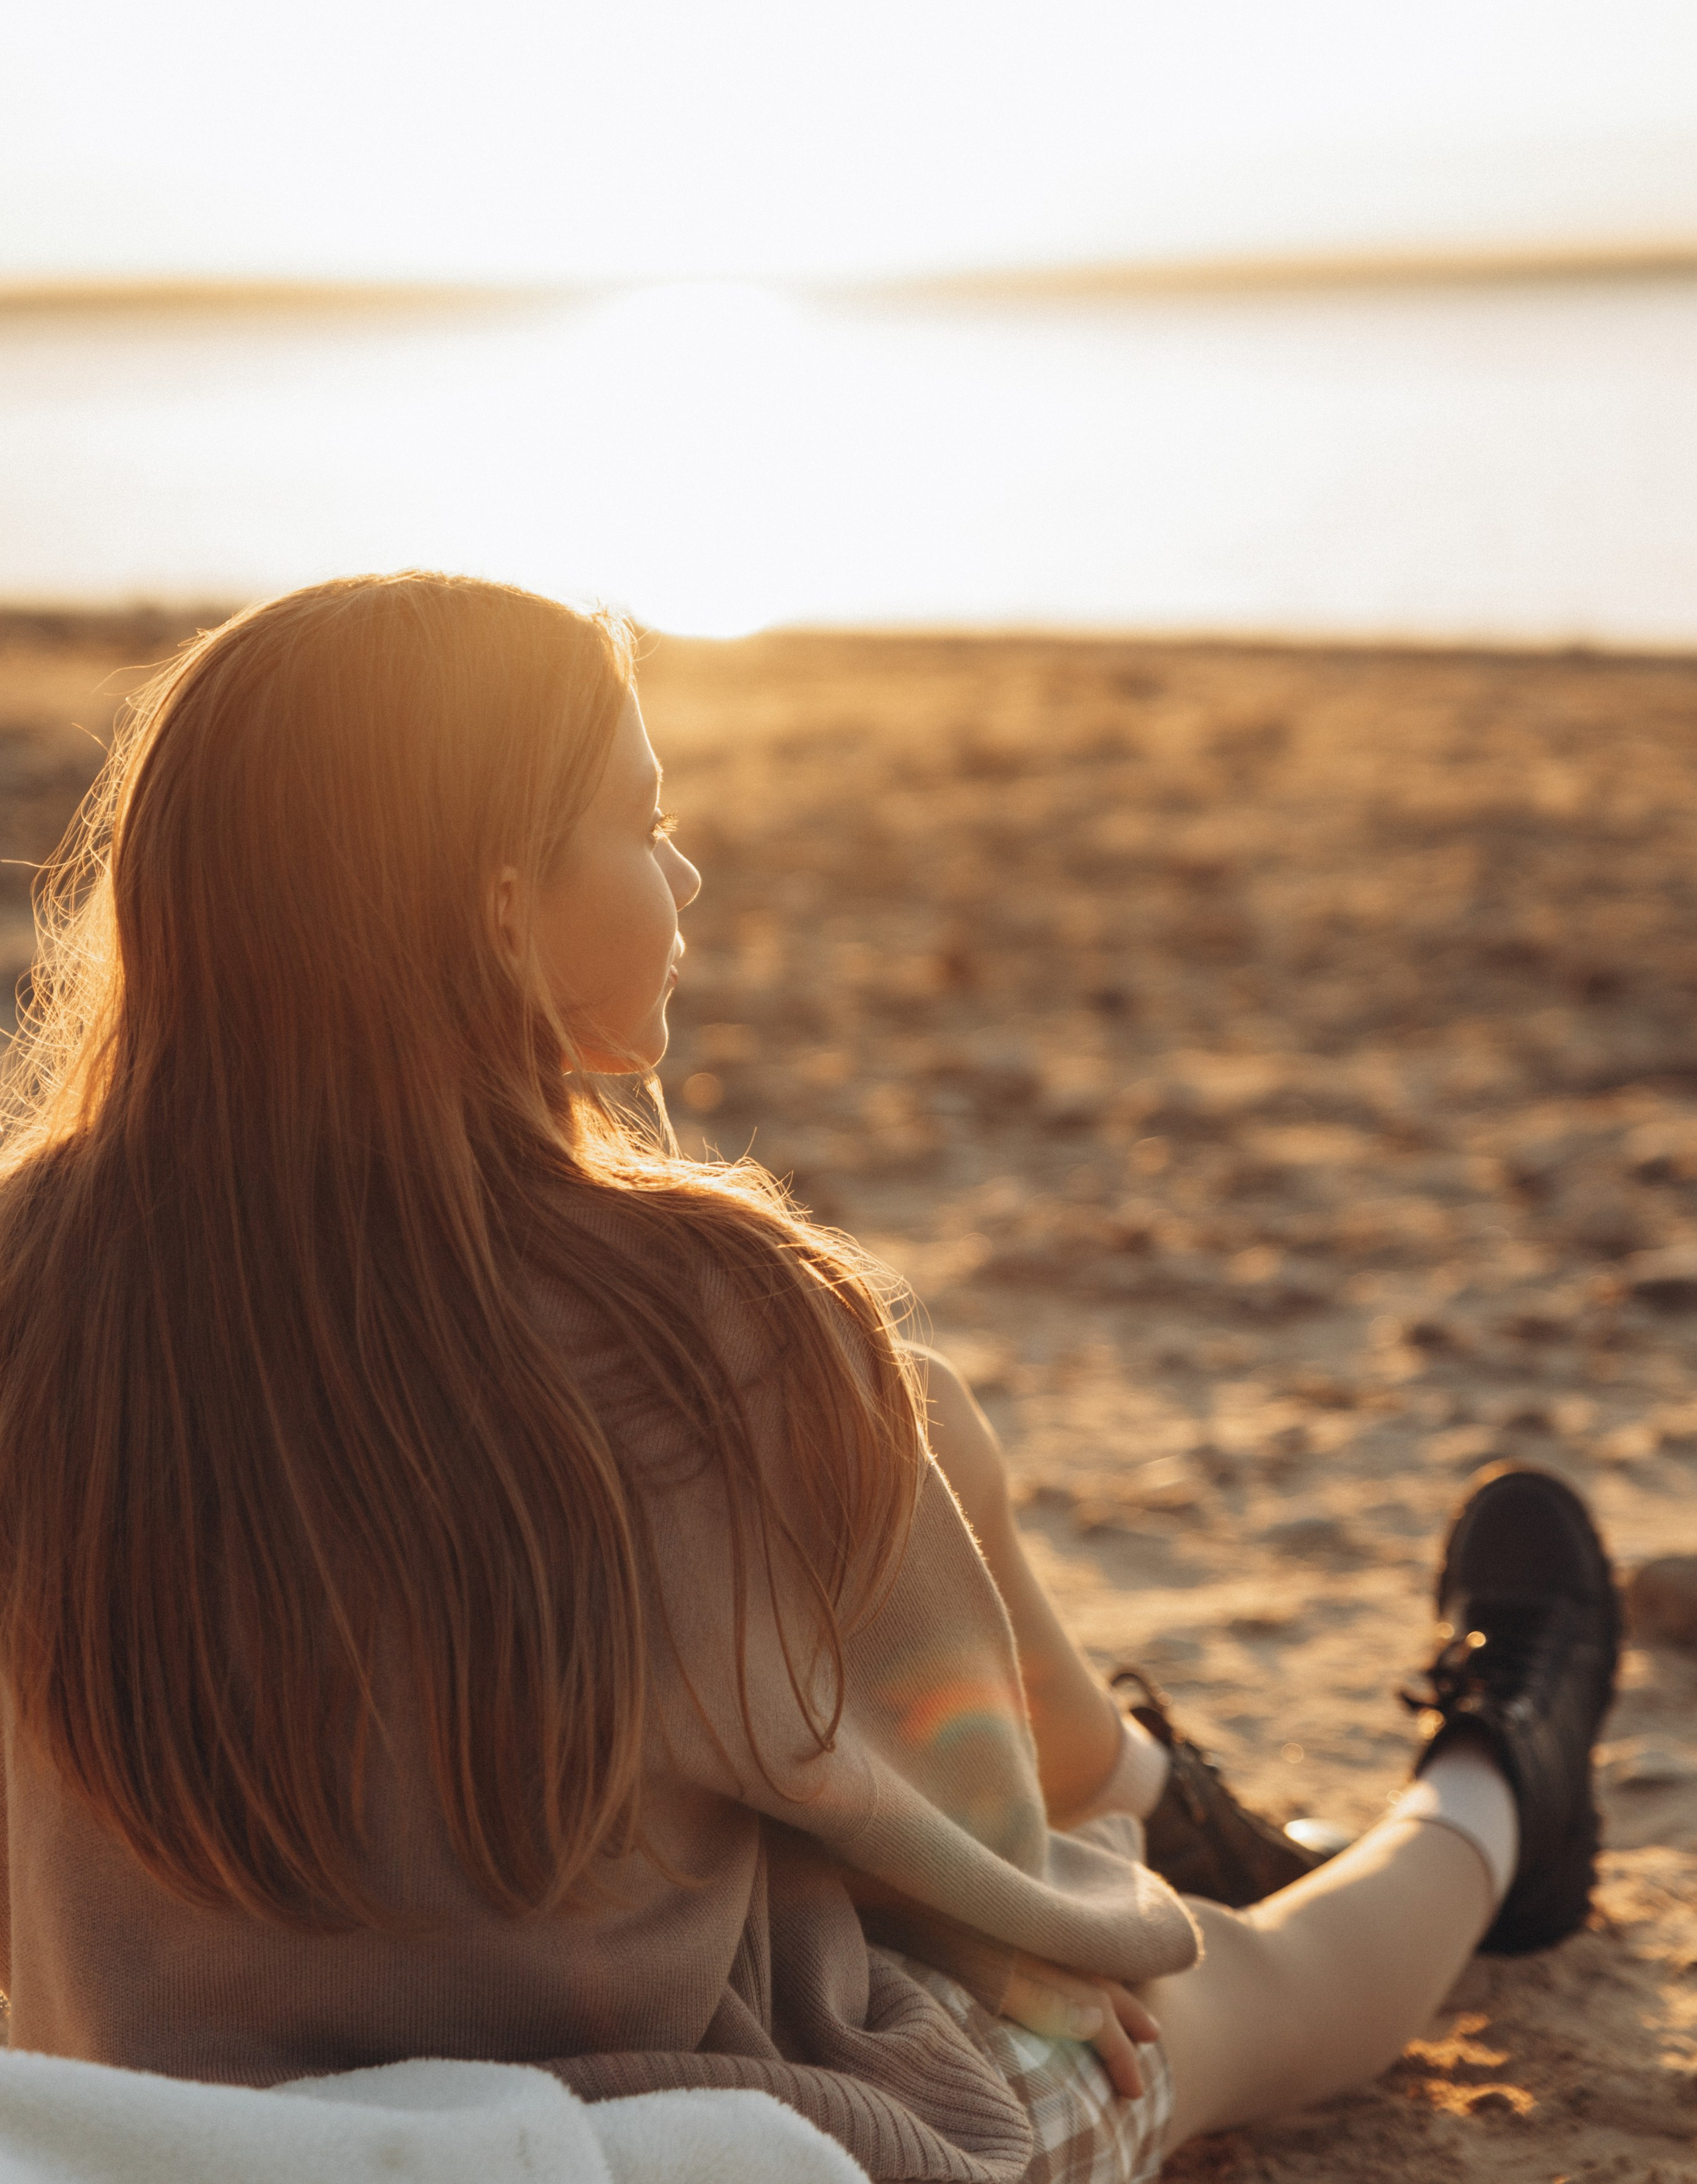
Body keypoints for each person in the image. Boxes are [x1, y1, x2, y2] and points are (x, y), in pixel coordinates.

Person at [0, 575, 1620, 2184]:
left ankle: (1160, 1783)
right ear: (497, 908)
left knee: (901, 1432)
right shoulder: (696, 1315)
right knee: (1219, 1985)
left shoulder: (31, 1283)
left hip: (159, 2123)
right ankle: (1488, 1791)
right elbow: (989, 1873)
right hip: (673, 2135)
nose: (683, 866)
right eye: (640, 821)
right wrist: (1017, 1927)